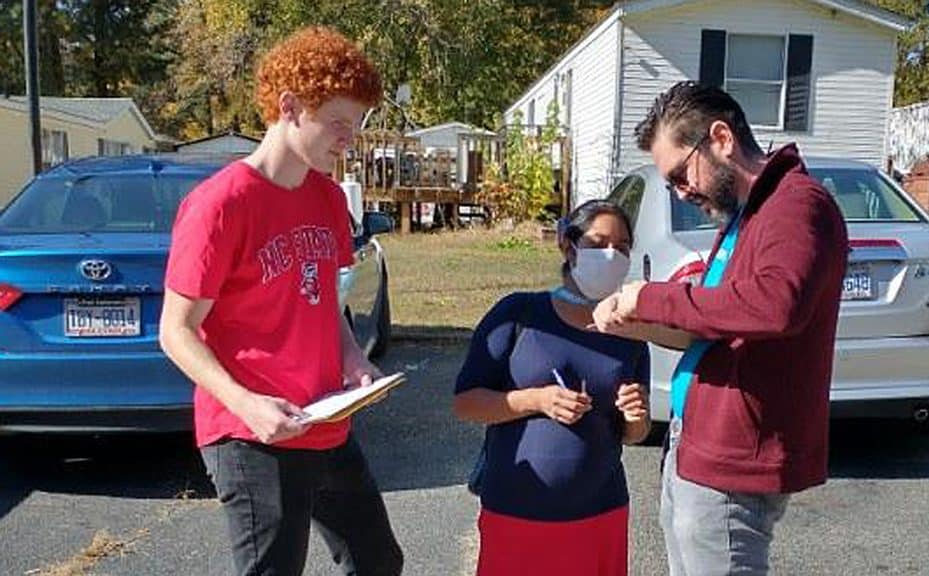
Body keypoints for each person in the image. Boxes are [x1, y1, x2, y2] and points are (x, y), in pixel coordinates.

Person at [159, 26, 402, 576]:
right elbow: (175, 331)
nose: (350, 138)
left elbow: (322, 305)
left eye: (357, 125)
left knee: (379, 561)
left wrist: (352, 357)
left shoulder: (326, 197)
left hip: (323, 418)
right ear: (290, 107)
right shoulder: (219, 205)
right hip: (252, 434)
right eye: (339, 123)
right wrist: (248, 403)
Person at [592, 81, 848, 575]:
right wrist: (642, 322)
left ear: (721, 139)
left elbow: (775, 305)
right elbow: (720, 324)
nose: (682, 193)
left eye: (681, 175)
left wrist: (650, 295)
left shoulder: (797, 206)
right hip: (698, 446)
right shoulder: (747, 217)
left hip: (733, 462)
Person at [453, 200, 651, 576]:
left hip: (600, 513)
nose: (612, 254)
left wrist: (636, 415)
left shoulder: (630, 332)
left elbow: (633, 434)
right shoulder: (519, 314)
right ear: (567, 245)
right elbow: (465, 403)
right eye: (599, 243)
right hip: (517, 511)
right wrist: (535, 400)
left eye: (623, 246)